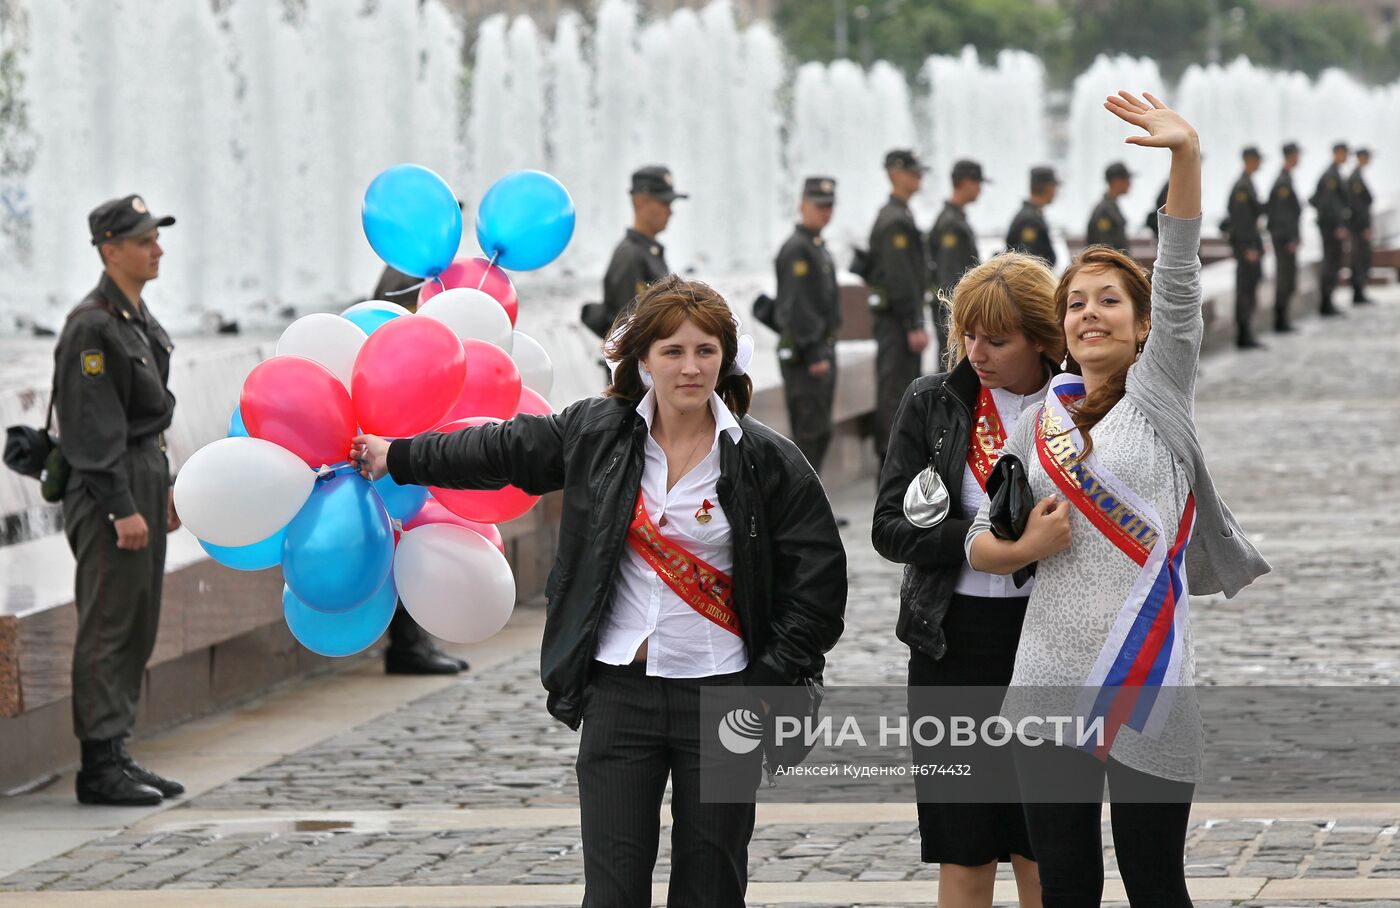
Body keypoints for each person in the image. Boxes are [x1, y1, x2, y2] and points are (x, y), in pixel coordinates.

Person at [351, 275, 847, 907]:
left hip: (725, 695)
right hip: (620, 695)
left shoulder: (763, 458)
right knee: (612, 891)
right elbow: (502, 449)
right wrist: (399, 457)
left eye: (705, 351)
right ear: (642, 360)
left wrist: (772, 677)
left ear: (726, 359)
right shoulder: (597, 433)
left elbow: (819, 583)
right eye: (672, 351)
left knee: (713, 886)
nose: (689, 368)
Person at [967, 91, 1269, 905]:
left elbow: (1178, 276)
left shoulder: (1160, 393)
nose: (1090, 313)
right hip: (1047, 670)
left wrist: (1186, 156)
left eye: (1109, 300)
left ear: (1142, 327)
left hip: (1150, 672)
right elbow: (978, 544)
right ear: (1061, 328)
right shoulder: (1037, 424)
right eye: (1075, 302)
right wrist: (1022, 548)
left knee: (1154, 880)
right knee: (1065, 883)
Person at [873, 252, 1065, 908]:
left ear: (1043, 337)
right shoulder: (934, 402)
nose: (977, 352)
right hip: (949, 644)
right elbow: (888, 527)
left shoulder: (1081, 404)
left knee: (1042, 846)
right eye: (968, 334)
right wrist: (976, 546)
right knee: (963, 844)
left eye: (997, 339)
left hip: (1050, 642)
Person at [53, 195, 184, 806]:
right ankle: (97, 766)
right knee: (109, 623)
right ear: (110, 250)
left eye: (156, 237)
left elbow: (148, 412)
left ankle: (117, 750)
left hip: (142, 476)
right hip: (111, 486)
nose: (156, 248)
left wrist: (166, 485)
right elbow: (89, 428)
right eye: (143, 240)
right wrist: (120, 505)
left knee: (137, 619)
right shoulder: (93, 325)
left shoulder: (132, 316)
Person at [366, 268, 470, 676]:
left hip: (411, 432)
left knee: (413, 532)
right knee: (404, 532)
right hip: (395, 436)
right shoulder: (406, 275)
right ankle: (408, 643)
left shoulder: (422, 271)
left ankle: (415, 638)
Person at [866, 149, 932, 466]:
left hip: (898, 320)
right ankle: (890, 465)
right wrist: (912, 324)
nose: (918, 178)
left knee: (902, 387)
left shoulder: (900, 214)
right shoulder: (894, 220)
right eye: (913, 172)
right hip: (896, 322)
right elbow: (899, 277)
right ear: (895, 173)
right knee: (895, 391)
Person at [774, 176, 842, 473]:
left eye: (829, 206)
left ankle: (813, 506)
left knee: (819, 430)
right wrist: (815, 352)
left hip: (820, 351)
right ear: (802, 205)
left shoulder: (815, 247)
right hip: (807, 357)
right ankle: (803, 513)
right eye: (818, 205)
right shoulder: (797, 250)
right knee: (808, 434)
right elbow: (797, 307)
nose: (825, 212)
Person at [587, 166, 684, 336]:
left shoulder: (647, 251)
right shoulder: (631, 255)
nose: (670, 211)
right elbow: (628, 328)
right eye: (664, 203)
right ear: (640, 202)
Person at [931, 160, 987, 357]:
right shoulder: (951, 223)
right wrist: (959, 311)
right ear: (965, 182)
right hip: (954, 309)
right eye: (978, 183)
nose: (980, 189)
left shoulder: (956, 218)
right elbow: (951, 275)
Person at [1226, 146, 1266, 349]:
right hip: (1246, 249)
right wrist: (1248, 247)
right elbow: (1241, 221)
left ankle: (1246, 331)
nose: (1259, 163)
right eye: (1257, 159)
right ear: (1249, 160)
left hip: (1251, 246)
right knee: (1245, 290)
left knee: (1250, 290)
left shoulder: (1248, 184)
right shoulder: (1242, 187)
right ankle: (1242, 334)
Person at [1264, 142, 1302, 333]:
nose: (1299, 158)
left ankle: (1283, 318)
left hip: (1285, 238)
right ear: (1291, 155)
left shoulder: (1286, 179)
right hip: (1284, 240)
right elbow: (1282, 215)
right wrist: (1290, 239)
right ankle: (1280, 320)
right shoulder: (1283, 183)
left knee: (1288, 278)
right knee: (1284, 278)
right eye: (1297, 155)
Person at [1310, 142, 1350, 317]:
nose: (1346, 157)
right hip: (1330, 227)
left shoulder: (1334, 174)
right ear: (1337, 153)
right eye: (1344, 153)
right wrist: (1338, 225)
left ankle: (1328, 301)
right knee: (1330, 262)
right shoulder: (1331, 177)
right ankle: (1326, 302)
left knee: (1333, 263)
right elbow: (1329, 203)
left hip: (1330, 226)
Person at [1005, 166, 1059, 267]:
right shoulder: (1029, 221)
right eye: (1054, 186)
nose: (1056, 192)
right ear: (1048, 187)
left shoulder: (1033, 215)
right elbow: (1027, 262)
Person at [1348, 148, 1374, 305]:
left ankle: (1360, 291)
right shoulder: (1355, 178)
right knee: (1358, 259)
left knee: (1362, 259)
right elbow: (1357, 205)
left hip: (1359, 226)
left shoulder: (1358, 176)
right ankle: (1358, 292)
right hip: (1358, 227)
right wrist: (1364, 227)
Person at [1086, 161, 1132, 253]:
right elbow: (1103, 248)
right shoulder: (1104, 210)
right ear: (1116, 181)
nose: (1129, 184)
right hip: (1108, 264)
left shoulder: (1112, 206)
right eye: (1126, 179)